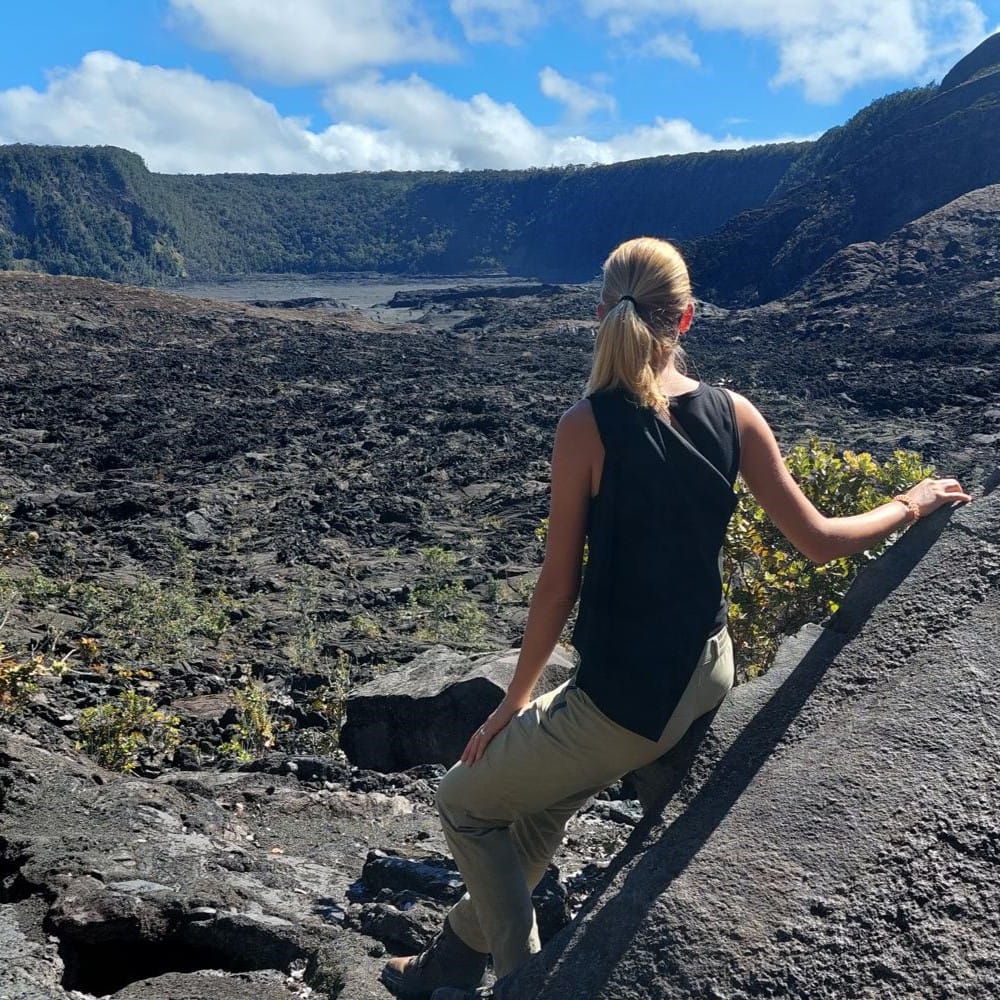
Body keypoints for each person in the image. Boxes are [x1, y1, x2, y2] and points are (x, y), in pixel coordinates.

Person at [381, 237, 971, 1000]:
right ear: (686, 318)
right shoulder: (736, 413)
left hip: (623, 704)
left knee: (462, 803)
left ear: (600, 316)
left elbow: (557, 589)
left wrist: (512, 702)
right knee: (536, 818)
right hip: (705, 669)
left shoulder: (585, 428)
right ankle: (448, 965)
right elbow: (820, 542)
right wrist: (912, 502)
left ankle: (525, 987)